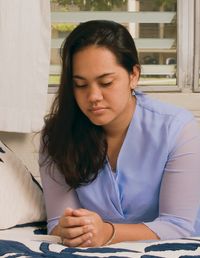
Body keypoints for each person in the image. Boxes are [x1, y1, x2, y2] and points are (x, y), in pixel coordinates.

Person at [39, 20, 200, 247]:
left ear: (133, 75)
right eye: (81, 85)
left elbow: (177, 224)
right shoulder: (56, 136)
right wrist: (71, 229)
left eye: (106, 82)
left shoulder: (177, 128)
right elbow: (58, 221)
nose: (93, 96)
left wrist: (108, 232)